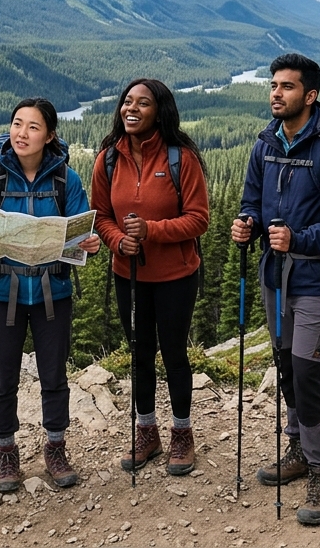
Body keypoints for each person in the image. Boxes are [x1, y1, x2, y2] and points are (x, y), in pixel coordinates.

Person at [230, 53, 320, 527]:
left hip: (319, 277)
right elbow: (252, 200)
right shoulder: (265, 143)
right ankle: (298, 449)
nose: (275, 93)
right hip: (275, 276)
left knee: (307, 370)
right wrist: (247, 223)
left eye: (286, 87)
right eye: (273, 85)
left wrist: (300, 239)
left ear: (310, 95)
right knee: (286, 366)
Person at [0, 98, 101, 493]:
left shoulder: (66, 180)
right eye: (17, 124)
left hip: (53, 292)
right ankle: (6, 453)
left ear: (50, 135)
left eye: (33, 127)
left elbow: (81, 231)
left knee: (54, 376)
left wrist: (89, 244)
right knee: (2, 377)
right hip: (2, 293)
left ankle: (55, 448)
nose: (22, 133)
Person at [91, 78, 210, 476]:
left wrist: (151, 231)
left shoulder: (181, 158)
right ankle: (146, 432)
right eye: (127, 101)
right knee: (140, 354)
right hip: (130, 275)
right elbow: (100, 216)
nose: (132, 109)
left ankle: (181, 434)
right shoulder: (108, 158)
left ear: (159, 111)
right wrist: (117, 240)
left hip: (176, 275)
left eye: (142, 103)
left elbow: (199, 219)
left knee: (174, 354)